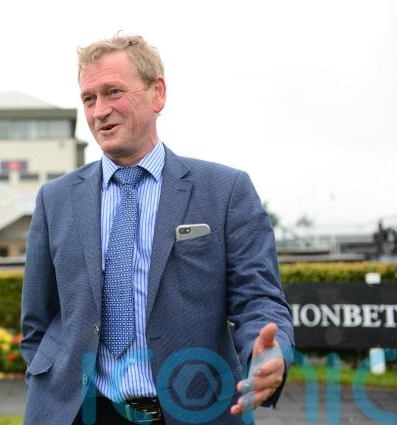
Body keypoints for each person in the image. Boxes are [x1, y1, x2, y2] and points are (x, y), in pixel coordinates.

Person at [20, 35, 294, 425]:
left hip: (190, 410)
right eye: (89, 98)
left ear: (158, 93)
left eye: (113, 92)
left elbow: (258, 298)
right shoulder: (55, 199)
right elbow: (37, 320)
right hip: (81, 413)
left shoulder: (225, 191)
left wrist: (268, 351)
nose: (100, 111)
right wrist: (45, 383)